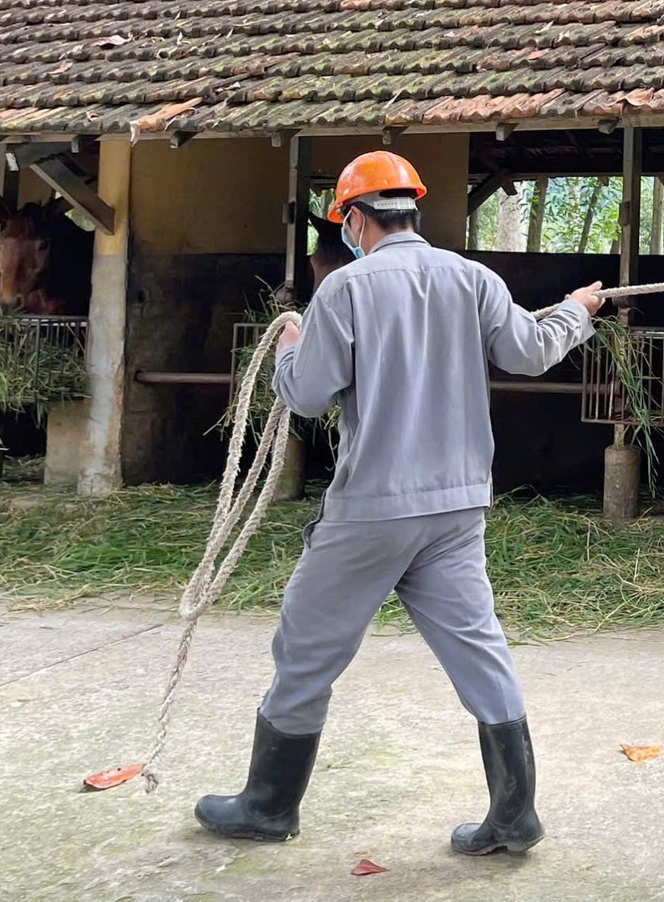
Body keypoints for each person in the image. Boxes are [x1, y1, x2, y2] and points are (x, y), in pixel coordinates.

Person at [195, 150, 606, 855]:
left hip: (373, 509)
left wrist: (291, 346)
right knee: (480, 650)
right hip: (456, 508)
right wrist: (575, 311)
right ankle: (514, 813)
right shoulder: (473, 278)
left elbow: (306, 394)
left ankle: (268, 804)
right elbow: (531, 350)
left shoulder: (345, 290)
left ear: (355, 218)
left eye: (344, 222)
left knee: (305, 648)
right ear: (412, 209)